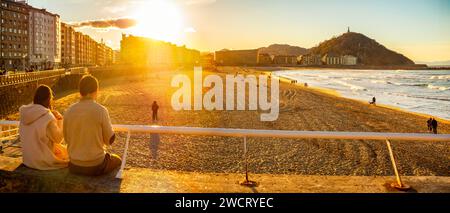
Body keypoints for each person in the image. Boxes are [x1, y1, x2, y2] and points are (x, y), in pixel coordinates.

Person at [63, 75, 121, 176]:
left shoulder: (69, 111)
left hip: (74, 165)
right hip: (95, 165)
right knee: (118, 160)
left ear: (80, 91)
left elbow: (67, 139)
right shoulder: (101, 110)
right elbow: (109, 140)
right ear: (96, 90)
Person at [19, 85, 69, 170]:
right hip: (41, 161)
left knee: (62, 151)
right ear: (48, 99)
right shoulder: (47, 117)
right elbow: (58, 139)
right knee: (70, 158)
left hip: (28, 159)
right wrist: (60, 120)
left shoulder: (26, 113)